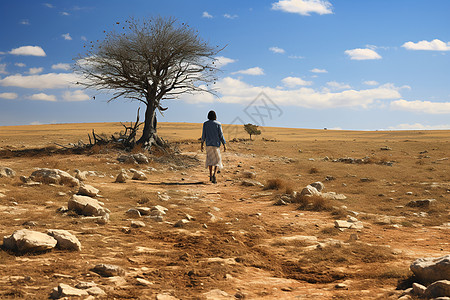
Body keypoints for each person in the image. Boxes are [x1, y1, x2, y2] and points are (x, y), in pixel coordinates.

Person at [201, 110, 226, 183]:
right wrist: (224, 144)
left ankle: (210, 175)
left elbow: (203, 135)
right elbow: (221, 135)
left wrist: (202, 144)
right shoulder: (218, 124)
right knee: (217, 160)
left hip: (208, 144)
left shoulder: (205, 124)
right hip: (216, 145)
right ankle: (214, 174)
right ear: (215, 116)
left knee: (210, 160)